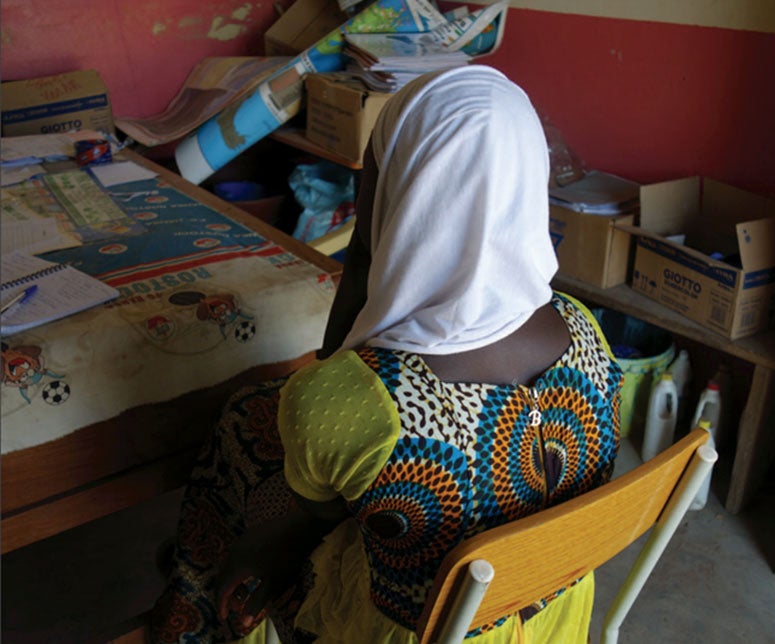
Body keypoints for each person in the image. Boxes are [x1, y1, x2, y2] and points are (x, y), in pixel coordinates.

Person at [151, 64, 623, 643]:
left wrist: (367, 251)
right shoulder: (587, 333)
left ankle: (192, 613)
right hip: (551, 614)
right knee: (260, 419)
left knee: (245, 464)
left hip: (406, 629)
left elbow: (298, 531)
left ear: (400, 195)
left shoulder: (350, 399)